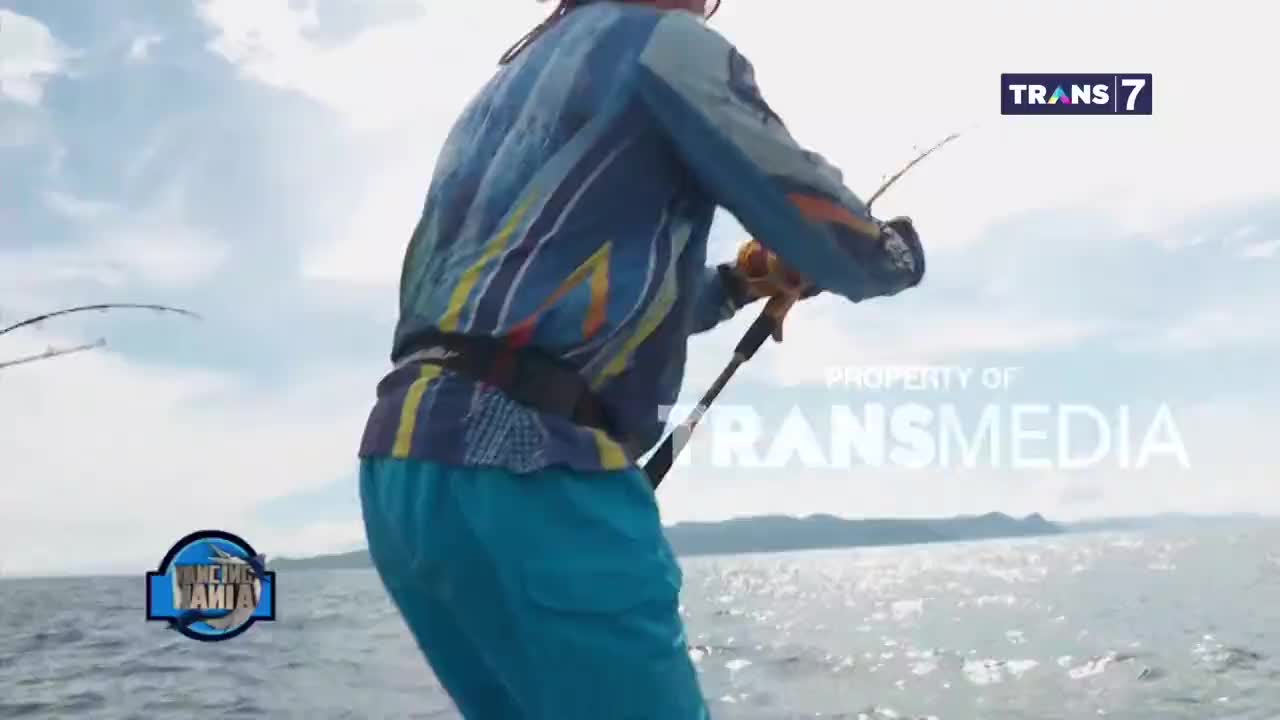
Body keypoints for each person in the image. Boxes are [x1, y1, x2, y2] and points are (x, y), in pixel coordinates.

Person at [356, 0, 926, 717]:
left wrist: (741, 283)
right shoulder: (668, 44)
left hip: (402, 470)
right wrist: (896, 254)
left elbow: (542, 302)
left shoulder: (501, 86)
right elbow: (822, 225)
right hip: (532, 462)